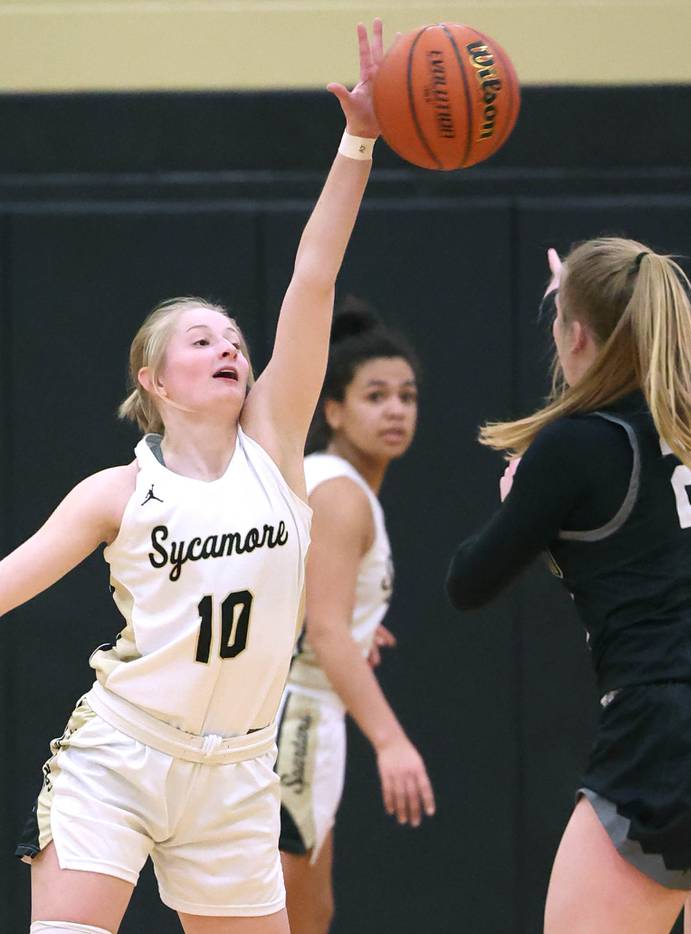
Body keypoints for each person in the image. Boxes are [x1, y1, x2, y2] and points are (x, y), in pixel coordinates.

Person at [2, 20, 386, 934]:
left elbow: (312, 280)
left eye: (234, 340)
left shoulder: (276, 447)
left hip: (238, 774)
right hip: (122, 754)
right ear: (154, 379)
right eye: (200, 339)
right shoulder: (116, 494)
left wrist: (359, 141)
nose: (228, 347)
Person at [446, 239, 691, 934]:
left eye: (561, 321)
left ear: (576, 333)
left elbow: (469, 582)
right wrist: (585, 297)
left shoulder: (574, 448)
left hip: (676, 731)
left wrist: (523, 505)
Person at [276, 302, 435, 934]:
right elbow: (325, 632)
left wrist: (356, 622)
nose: (395, 409)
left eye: (406, 395)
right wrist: (392, 742)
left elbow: (309, 608)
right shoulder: (340, 493)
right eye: (375, 396)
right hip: (299, 716)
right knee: (299, 914)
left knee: (296, 908)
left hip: (284, 709)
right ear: (334, 411)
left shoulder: (326, 481)